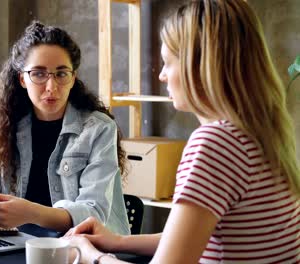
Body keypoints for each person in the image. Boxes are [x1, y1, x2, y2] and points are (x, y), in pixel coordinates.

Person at [64, 0, 300, 263]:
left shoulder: (215, 143)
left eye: (168, 62)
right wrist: (118, 241)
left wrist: (89, 256)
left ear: (200, 66)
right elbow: (201, 235)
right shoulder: (261, 134)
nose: (162, 75)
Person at [0, 21, 130, 235]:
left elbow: (93, 213)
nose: (51, 87)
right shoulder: (8, 125)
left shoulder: (99, 129)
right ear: (22, 79)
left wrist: (31, 212)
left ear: (73, 78)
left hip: (85, 248)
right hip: (20, 244)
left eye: (61, 74)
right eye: (39, 74)